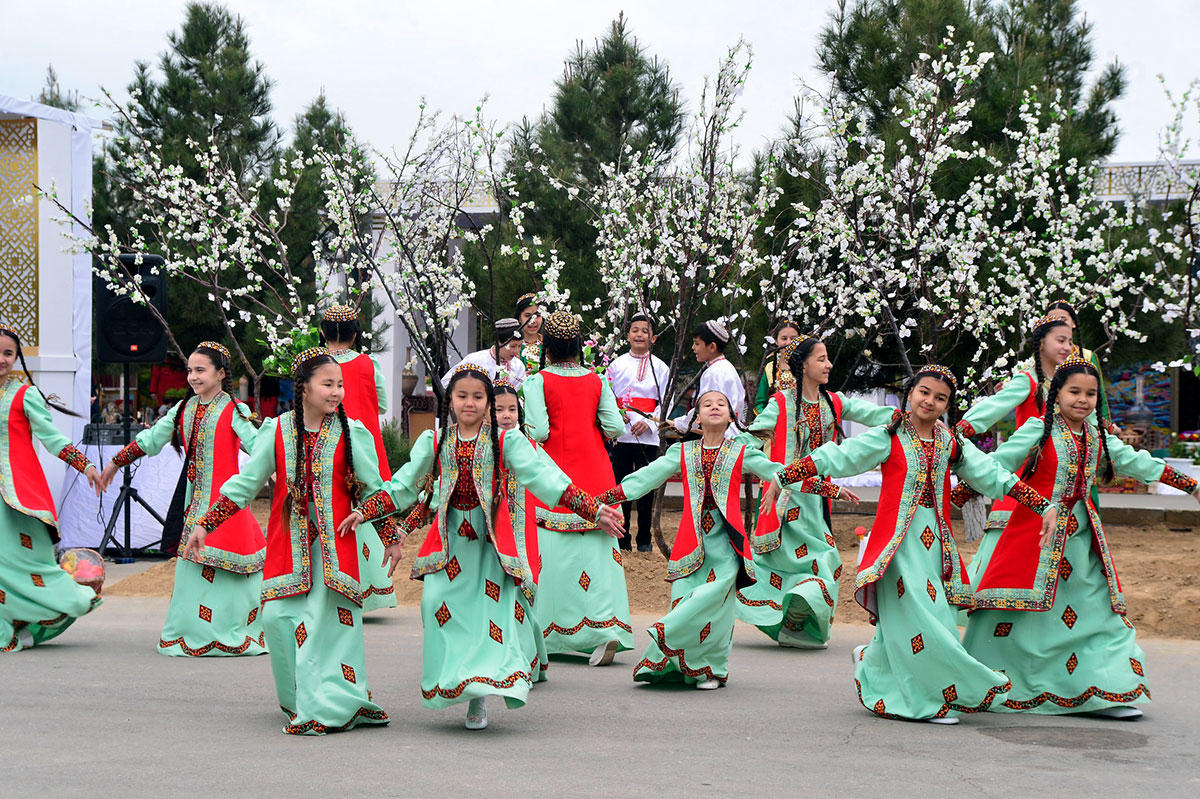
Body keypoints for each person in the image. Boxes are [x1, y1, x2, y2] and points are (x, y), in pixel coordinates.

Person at [765, 365, 1056, 723]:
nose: (930, 401)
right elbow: (837, 456)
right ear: (910, 393)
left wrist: (1042, 505)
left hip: (936, 549)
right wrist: (784, 475)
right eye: (924, 392)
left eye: (940, 398)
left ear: (948, 405)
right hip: (899, 548)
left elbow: (991, 474)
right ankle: (926, 699)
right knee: (923, 619)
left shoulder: (950, 443)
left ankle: (876, 663)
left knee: (936, 619)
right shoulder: (889, 437)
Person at [345, 364, 622, 730]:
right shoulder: (435, 441)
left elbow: (547, 479)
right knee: (435, 606)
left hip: (491, 546)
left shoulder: (507, 442)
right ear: (450, 401)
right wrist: (365, 512)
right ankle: (457, 679)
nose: (469, 403)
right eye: (462, 396)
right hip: (449, 546)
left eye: (478, 397)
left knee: (488, 619)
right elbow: (404, 486)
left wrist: (593, 509)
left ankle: (478, 697)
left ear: (488, 403)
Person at [957, 354, 1200, 719]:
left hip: (1082, 543)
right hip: (1035, 536)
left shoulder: (1096, 436)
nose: (1083, 400)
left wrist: (1191, 486)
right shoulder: (1038, 429)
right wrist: (955, 495)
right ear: (1056, 393)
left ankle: (1104, 690)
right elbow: (998, 463)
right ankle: (997, 683)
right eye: (1074, 391)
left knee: (1100, 615)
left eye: (1090, 393)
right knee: (1021, 620)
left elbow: (1138, 462)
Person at [185, 347, 397, 735]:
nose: (336, 392)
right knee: (277, 619)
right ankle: (299, 701)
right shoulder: (278, 431)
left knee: (320, 626)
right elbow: (246, 484)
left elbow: (373, 489)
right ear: (304, 387)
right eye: (328, 384)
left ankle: (324, 707)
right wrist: (205, 524)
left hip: (335, 548)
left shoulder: (351, 432)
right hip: (289, 547)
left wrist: (390, 537)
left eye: (340, 385)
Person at [599, 390, 784, 688]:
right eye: (706, 404)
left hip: (727, 547)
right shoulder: (682, 453)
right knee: (684, 602)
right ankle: (681, 666)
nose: (714, 407)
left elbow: (781, 473)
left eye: (721, 404)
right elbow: (645, 478)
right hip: (690, 545)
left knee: (716, 609)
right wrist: (604, 499)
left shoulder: (741, 452)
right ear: (696, 417)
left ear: (732, 417)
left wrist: (830, 489)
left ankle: (712, 669)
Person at [102, 342, 266, 657]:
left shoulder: (234, 409)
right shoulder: (183, 409)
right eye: (190, 370)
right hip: (194, 505)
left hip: (225, 504)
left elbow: (258, 446)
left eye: (200, 370)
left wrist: (276, 468)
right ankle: (193, 634)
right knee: (193, 573)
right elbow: (151, 440)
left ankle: (230, 634)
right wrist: (115, 463)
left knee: (230, 574)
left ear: (221, 374)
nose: (193, 377)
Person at [737, 335, 895, 648]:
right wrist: (723, 450)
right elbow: (751, 439)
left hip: (816, 500)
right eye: (821, 359)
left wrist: (912, 417)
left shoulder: (833, 402)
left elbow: (875, 414)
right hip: (785, 501)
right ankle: (792, 624)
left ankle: (794, 625)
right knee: (819, 561)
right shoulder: (781, 403)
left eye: (827, 358)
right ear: (804, 365)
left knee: (816, 563)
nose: (829, 365)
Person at [524, 310, 632, 665]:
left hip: (555, 476)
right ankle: (606, 630)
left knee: (555, 559)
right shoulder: (597, 380)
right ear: (577, 346)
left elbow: (538, 431)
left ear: (548, 347)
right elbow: (615, 428)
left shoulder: (537, 382)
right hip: (597, 473)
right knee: (600, 558)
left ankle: (550, 635)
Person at [0, 323, 103, 652]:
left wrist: (84, 465)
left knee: (26, 566)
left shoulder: (24, 395)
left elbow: (52, 438)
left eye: (8, 353)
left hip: (15, 499)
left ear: (17, 358)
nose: (2, 359)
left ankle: (67, 602)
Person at [320, 303, 399, 613]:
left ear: (322, 332)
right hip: (365, 447)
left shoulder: (316, 365)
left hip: (327, 446)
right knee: (367, 510)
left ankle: (335, 586)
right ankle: (371, 589)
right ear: (355, 335)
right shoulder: (368, 363)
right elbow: (382, 404)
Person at [605, 313, 670, 552]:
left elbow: (667, 400)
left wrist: (650, 422)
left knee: (646, 486)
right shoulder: (616, 365)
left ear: (653, 337)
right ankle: (621, 538)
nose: (639, 334)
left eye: (645, 330)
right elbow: (607, 395)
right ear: (628, 335)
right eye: (635, 330)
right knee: (620, 485)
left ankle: (644, 539)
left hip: (648, 436)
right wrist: (615, 415)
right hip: (622, 434)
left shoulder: (661, 367)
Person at [671, 321, 745, 438]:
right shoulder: (728, 367)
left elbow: (702, 409)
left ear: (712, 347)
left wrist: (680, 424)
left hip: (720, 434)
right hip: (734, 432)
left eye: (697, 343)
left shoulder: (712, 373)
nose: (693, 347)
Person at [441, 317, 526, 389]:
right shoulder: (475, 360)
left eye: (519, 346)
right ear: (497, 342)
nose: (516, 351)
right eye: (513, 346)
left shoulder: (518, 366)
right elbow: (445, 383)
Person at [752, 320, 802, 415]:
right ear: (776, 341)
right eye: (784, 338)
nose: (788, 342)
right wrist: (770, 418)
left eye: (793, 339)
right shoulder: (769, 368)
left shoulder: (808, 366)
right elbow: (759, 404)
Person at [514, 293, 543, 375]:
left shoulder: (549, 344)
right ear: (519, 318)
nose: (533, 321)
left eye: (537, 315)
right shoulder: (511, 346)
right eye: (527, 316)